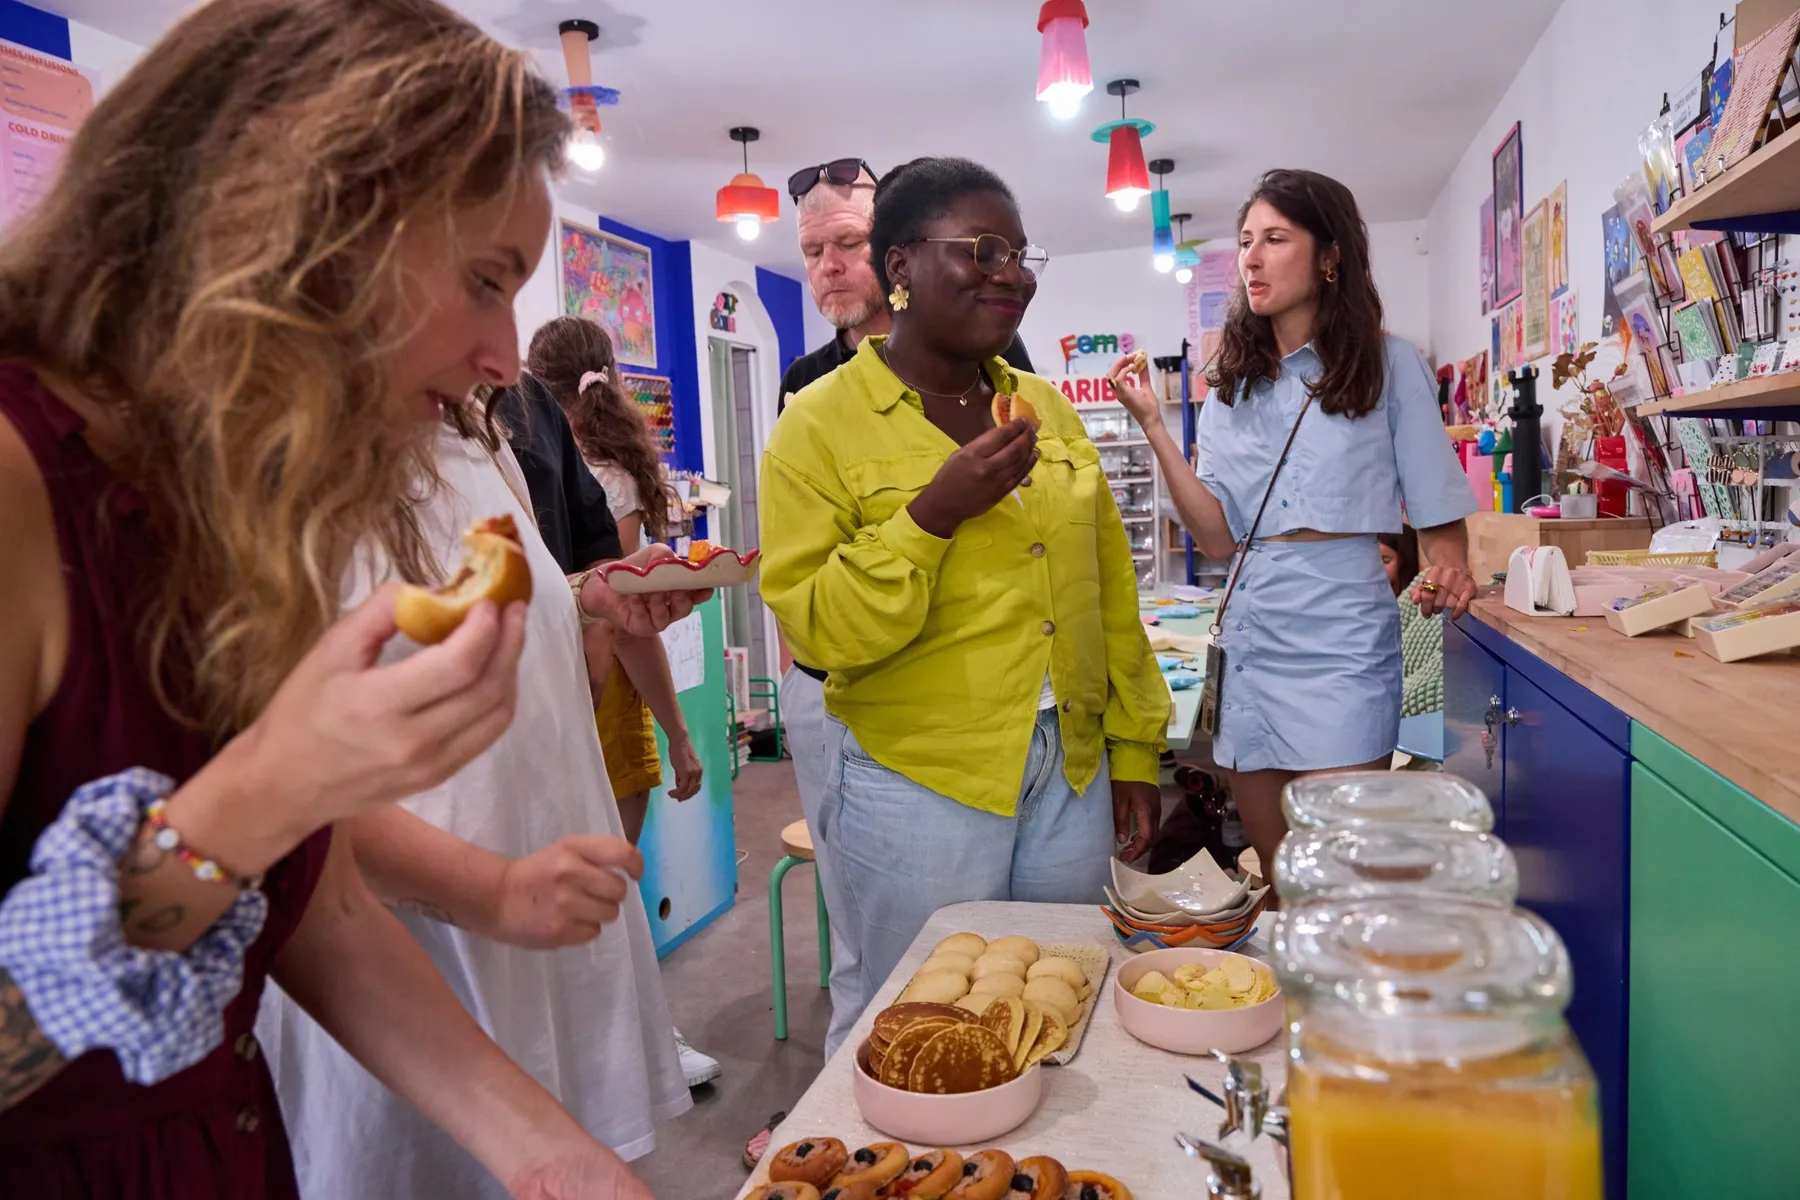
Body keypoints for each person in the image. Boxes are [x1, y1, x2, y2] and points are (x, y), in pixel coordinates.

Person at [0, 1, 690, 1195]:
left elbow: (304, 905)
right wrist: (279, 783)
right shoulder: (17, 481)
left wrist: (550, 1157)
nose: (498, 357)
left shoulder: (202, 504)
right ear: (287, 216)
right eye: (483, 280)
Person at [760, 157, 1169, 1040]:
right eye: (983, 250)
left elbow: (1108, 597)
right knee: (918, 1020)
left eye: (1021, 256)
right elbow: (820, 626)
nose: (1011, 274)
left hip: (1069, 764)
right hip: (920, 778)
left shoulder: (1047, 412)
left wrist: (1134, 748)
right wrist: (930, 517)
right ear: (900, 266)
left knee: (1058, 1001)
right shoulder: (818, 422)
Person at [258, 403, 705, 1197]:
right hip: (401, 954)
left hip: (520, 896)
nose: (506, 358)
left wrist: (582, 601)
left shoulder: (475, 429)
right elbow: (269, 797)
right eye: (483, 283)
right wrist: (483, 889)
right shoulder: (277, 455)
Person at [1107, 167, 1477, 880]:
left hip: (1343, 638)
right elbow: (1216, 539)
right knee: (1279, 871)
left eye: (1275, 238)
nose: (1251, 256)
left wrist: (1446, 563)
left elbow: (1436, 513)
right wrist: (1154, 427)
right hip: (1253, 639)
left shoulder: (1389, 364)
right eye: (1246, 240)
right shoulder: (1227, 383)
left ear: (1329, 254)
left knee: (1336, 874)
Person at [771, 158, 1037, 1078]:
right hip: (846, 699)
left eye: (845, 244)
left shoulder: (1004, 374)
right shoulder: (808, 393)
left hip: (1008, 718)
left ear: (892, 257)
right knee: (872, 945)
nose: (828, 269)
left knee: (1015, 969)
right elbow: (807, 585)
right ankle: (860, 1097)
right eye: (812, 253)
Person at [492, 354, 720, 1091]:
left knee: (592, 890)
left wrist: (599, 602)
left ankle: (619, 1043)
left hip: (572, 706)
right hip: (517, 736)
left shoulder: (524, 413)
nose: (504, 343)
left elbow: (598, 586)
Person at [528, 316, 703, 841]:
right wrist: (678, 732)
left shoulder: (530, 463)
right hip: (595, 692)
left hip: (542, 682)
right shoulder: (611, 477)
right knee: (608, 868)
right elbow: (620, 625)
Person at [1378, 527, 1443, 718]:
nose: (1375, 570)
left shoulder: (1420, 587)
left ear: (1405, 560)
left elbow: (1434, 581)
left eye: (1384, 560)